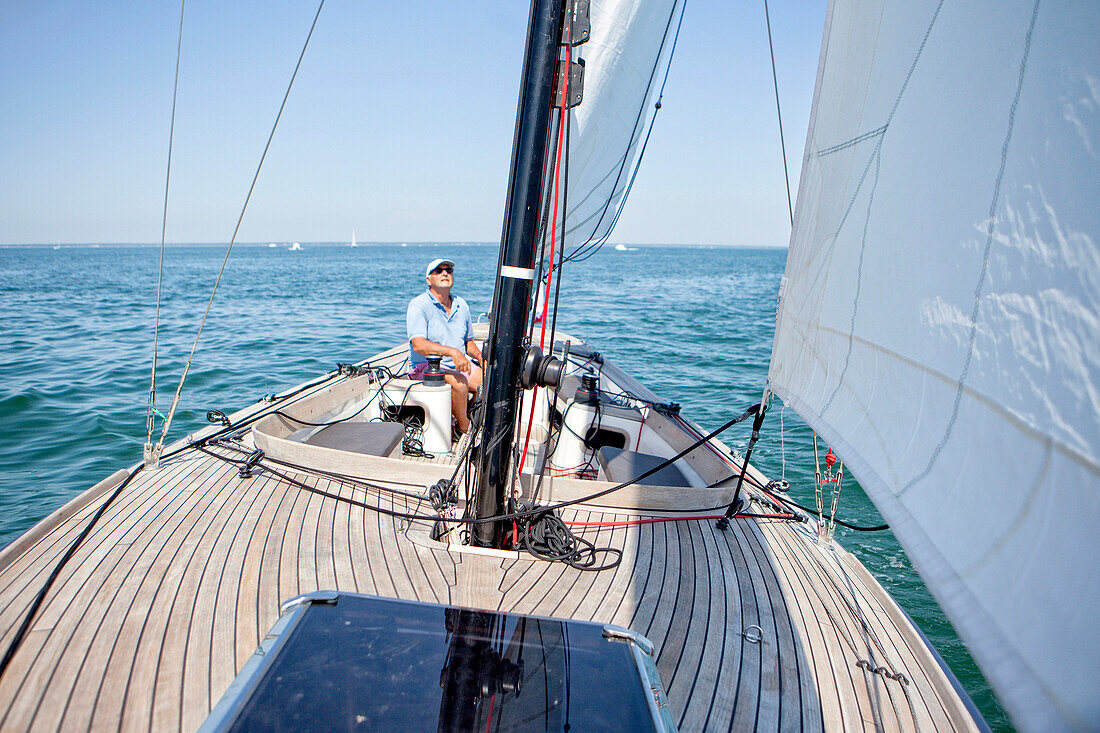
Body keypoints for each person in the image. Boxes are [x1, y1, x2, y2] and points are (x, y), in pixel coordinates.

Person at [406, 257, 483, 434]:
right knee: (460, 383)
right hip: (425, 367)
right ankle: (463, 428)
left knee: (489, 381)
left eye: (449, 270)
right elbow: (418, 345)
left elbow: (468, 342)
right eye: (439, 270)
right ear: (428, 279)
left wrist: (479, 356)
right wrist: (452, 352)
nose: (445, 273)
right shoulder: (419, 305)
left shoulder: (461, 305)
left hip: (458, 365)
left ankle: (470, 414)